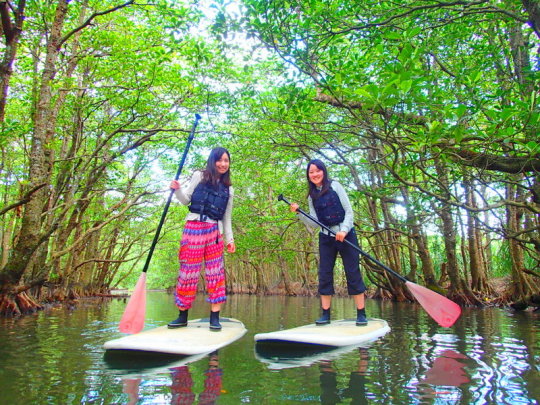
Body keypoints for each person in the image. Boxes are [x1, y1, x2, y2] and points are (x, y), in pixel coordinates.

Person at [289, 159, 367, 326]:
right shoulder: (312, 196)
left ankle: (361, 313)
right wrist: (299, 213)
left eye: (317, 171)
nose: (315, 174)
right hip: (326, 237)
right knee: (324, 274)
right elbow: (315, 222)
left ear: (323, 171)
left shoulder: (335, 186)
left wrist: (344, 230)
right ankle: (325, 314)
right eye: (311, 172)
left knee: (352, 272)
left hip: (346, 235)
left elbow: (349, 212)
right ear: (308, 176)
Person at [168, 147, 236, 331]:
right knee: (188, 272)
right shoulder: (199, 176)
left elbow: (226, 217)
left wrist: (230, 240)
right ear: (212, 161)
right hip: (194, 228)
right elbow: (185, 200)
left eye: (226, 161)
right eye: (219, 160)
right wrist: (177, 189)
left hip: (215, 232)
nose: (223, 164)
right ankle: (182, 315)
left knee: (215, 273)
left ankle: (215, 317)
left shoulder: (229, 189)